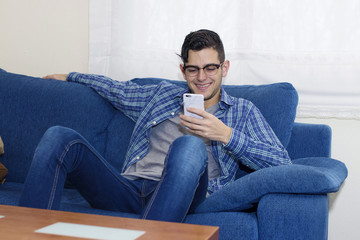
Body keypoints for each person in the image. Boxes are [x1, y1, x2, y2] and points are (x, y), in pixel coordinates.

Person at [19, 29, 291, 222]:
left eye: (210, 68)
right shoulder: (161, 95)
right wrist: (70, 75)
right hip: (130, 189)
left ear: (225, 68)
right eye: (193, 69)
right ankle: (25, 232)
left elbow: (282, 165)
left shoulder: (242, 111)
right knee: (59, 137)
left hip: (185, 195)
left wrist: (227, 135)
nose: (202, 77)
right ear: (183, 70)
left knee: (188, 145)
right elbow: (116, 89)